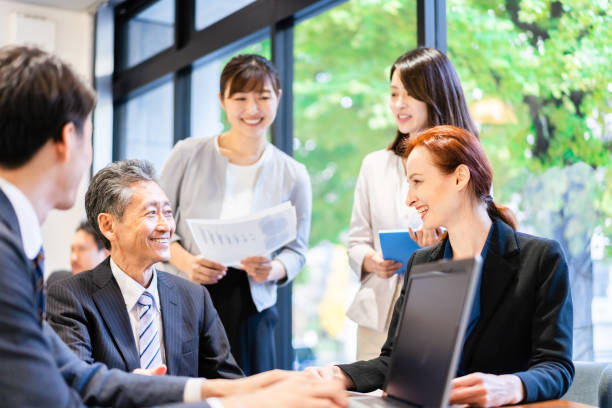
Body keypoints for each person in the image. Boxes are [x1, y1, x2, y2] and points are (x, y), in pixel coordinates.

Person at [0, 45, 346, 408]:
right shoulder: (14, 257)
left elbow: (79, 378)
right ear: (68, 139)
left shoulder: (14, 240)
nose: (165, 225)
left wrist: (228, 391)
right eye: (90, 138)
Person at [309, 125, 574, 406]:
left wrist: (511, 385)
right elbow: (394, 361)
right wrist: (340, 374)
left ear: (460, 177)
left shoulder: (542, 258)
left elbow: (557, 366)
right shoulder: (421, 263)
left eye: (418, 181)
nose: (408, 199)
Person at [160, 54, 311, 375]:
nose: (252, 109)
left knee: (249, 395)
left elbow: (297, 251)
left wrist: (274, 269)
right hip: (189, 293)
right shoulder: (187, 154)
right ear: (222, 101)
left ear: (279, 98)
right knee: (188, 391)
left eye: (263, 97)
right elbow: (157, 227)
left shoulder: (293, 173)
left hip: (252, 305)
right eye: (240, 98)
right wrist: (187, 262)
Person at [47, 159, 244, 380]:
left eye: (168, 213)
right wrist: (134, 389)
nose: (165, 226)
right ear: (108, 226)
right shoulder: (71, 298)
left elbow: (228, 381)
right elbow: (76, 382)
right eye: (151, 213)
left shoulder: (194, 297)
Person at [347, 47, 479, 360]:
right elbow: (355, 241)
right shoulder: (374, 165)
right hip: (379, 310)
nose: (399, 104)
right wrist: (371, 261)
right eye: (394, 94)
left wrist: (442, 245)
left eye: (410, 94)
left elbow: (480, 236)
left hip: (440, 306)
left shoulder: (465, 166)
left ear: (435, 96)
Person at [47, 221, 109, 285]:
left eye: (82, 249)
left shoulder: (116, 290)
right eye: (72, 249)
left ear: (105, 254)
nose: (74, 258)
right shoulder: (57, 282)